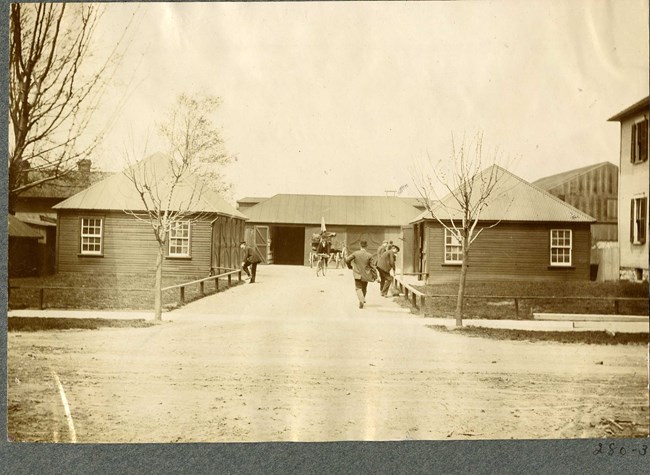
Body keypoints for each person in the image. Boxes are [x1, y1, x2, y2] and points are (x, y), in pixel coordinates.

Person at [345, 240, 376, 309]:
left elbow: (347, 260)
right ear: (366, 246)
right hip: (366, 274)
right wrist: (375, 276)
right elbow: (373, 267)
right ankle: (362, 299)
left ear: (360, 246)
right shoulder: (369, 255)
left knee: (358, 288)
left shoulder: (355, 253)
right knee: (364, 288)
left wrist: (350, 266)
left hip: (357, 274)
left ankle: (361, 300)